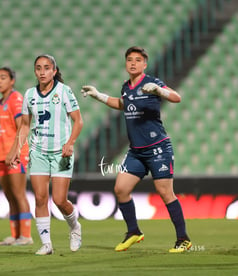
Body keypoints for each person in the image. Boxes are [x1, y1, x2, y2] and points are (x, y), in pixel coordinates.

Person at [81, 46, 192, 253]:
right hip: (136, 151)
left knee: (165, 192)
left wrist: (160, 91)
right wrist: (99, 96)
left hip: (157, 147)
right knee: (121, 189)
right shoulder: (126, 86)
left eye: (137, 60)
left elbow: (176, 97)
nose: (133, 63)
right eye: (129, 60)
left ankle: (183, 239)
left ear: (144, 64)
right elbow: (123, 104)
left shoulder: (153, 82)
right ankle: (133, 232)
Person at [7, 54, 84, 255]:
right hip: (38, 151)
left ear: (54, 71)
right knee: (40, 198)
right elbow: (24, 125)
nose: (42, 72)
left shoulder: (64, 91)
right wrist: (17, 148)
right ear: (35, 71)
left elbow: (78, 121)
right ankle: (46, 244)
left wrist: (70, 143)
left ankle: (75, 227)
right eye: (39, 68)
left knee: (59, 200)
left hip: (61, 152)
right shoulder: (30, 94)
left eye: (47, 68)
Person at [0, 67, 33, 246]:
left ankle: (26, 236)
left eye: (3, 78)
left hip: (16, 155)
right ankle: (15, 235)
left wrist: (14, 152)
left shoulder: (16, 99)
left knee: (18, 194)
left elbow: (21, 128)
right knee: (10, 196)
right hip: (3, 155)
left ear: (12, 81)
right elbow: (2, 132)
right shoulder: (1, 102)